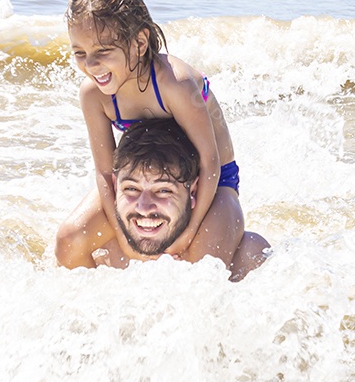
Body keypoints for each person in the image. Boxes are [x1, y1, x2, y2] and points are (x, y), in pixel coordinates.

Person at [55, 0, 245, 273]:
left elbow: (210, 161)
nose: (91, 65)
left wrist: (189, 232)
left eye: (103, 51)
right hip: (145, 183)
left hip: (212, 180)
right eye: (79, 53)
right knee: (69, 240)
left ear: (140, 43)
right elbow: (106, 174)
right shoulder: (93, 94)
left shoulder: (174, 83)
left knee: (207, 264)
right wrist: (122, 235)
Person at [92, 119, 269, 282]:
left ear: (193, 191)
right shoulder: (99, 256)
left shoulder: (249, 260)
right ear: (115, 188)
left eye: (163, 191)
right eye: (131, 189)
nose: (144, 208)